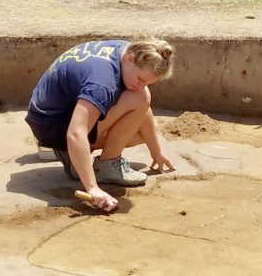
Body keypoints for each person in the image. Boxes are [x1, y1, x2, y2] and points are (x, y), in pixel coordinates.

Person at [25, 38, 176, 211]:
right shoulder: (102, 83)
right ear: (130, 59)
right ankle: (104, 164)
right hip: (51, 126)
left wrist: (156, 152)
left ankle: (70, 154)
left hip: (48, 114)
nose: (142, 85)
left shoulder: (124, 50)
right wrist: (92, 188)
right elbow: (76, 133)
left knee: (144, 126)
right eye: (140, 79)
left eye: (148, 82)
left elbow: (142, 104)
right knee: (138, 97)